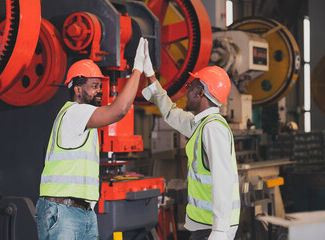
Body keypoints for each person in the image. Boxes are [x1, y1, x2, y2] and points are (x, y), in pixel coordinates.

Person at [35, 37, 148, 240]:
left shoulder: (84, 117)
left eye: (100, 86)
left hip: (83, 211)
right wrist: (137, 70)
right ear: (77, 89)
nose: (100, 91)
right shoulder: (74, 113)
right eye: (94, 85)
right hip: (63, 212)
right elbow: (120, 110)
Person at [141, 40, 240, 240]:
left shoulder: (212, 128)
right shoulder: (200, 124)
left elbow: (223, 179)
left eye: (190, 86)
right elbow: (170, 112)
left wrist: (220, 229)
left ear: (200, 92)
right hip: (204, 224)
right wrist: (150, 75)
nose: (186, 91)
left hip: (214, 228)